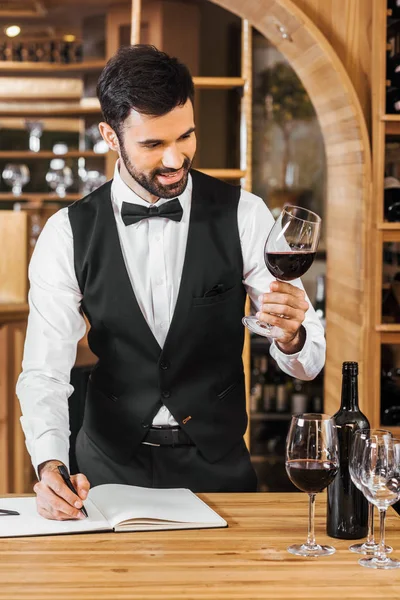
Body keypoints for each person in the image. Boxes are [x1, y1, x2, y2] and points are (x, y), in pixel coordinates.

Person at [16, 44, 325, 521]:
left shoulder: (245, 215)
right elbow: (44, 371)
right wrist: (49, 462)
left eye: (186, 136)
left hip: (218, 469)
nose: (175, 158)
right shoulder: (66, 233)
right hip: (106, 469)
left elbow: (307, 364)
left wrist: (293, 335)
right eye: (153, 144)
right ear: (109, 135)